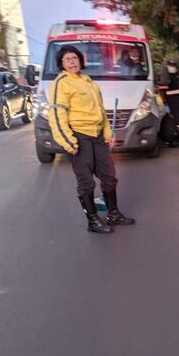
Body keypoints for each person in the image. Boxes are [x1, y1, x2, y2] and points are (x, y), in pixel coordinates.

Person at [49, 45, 135, 234]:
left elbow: (101, 112)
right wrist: (68, 142)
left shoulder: (89, 82)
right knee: (86, 182)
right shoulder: (61, 83)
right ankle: (93, 221)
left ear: (81, 60)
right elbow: (57, 114)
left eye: (74, 58)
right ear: (61, 64)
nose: (72, 61)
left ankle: (113, 213)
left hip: (97, 137)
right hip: (78, 137)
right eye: (67, 59)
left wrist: (108, 134)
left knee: (109, 177)